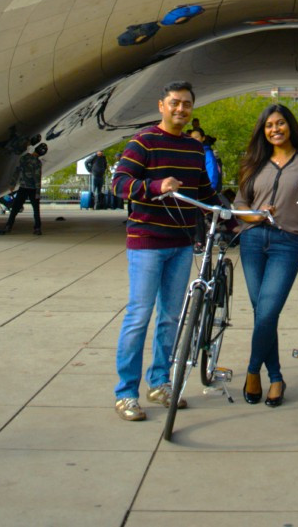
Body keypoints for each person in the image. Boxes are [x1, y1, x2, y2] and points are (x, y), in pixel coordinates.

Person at [111, 81, 219, 422]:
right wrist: (156, 186)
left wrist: (236, 216)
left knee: (171, 317)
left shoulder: (193, 148)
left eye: (186, 104)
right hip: (147, 243)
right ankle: (126, 393)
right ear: (161, 105)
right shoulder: (143, 141)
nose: (180, 110)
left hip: (181, 243)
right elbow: (119, 184)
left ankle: (159, 382)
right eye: (174, 103)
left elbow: (204, 193)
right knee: (138, 316)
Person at [232, 104, 298, 407]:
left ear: (290, 126)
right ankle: (277, 377)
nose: (275, 129)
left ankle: (253, 371)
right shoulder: (253, 162)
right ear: (262, 131)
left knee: (267, 312)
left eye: (280, 123)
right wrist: (254, 216)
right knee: (261, 314)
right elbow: (239, 204)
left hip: (287, 243)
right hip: (252, 241)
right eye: (269, 125)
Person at [0, 142, 46, 235]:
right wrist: (38, 192)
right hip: (32, 189)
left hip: (23, 187)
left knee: (15, 208)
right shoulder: (37, 162)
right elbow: (37, 178)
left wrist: (12, 184)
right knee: (36, 210)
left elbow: (17, 171)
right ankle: (37, 228)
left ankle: (8, 226)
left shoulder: (24, 158)